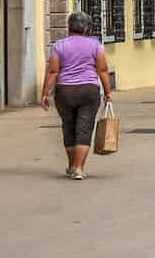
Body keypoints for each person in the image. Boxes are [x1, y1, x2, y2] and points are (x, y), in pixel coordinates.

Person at [38, 12, 115, 179]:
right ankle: (78, 168)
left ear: (69, 27)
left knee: (69, 127)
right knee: (84, 129)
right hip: (89, 90)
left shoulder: (58, 46)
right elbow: (102, 70)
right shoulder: (96, 46)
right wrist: (108, 92)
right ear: (86, 28)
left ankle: (72, 165)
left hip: (65, 91)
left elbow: (53, 71)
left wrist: (45, 94)